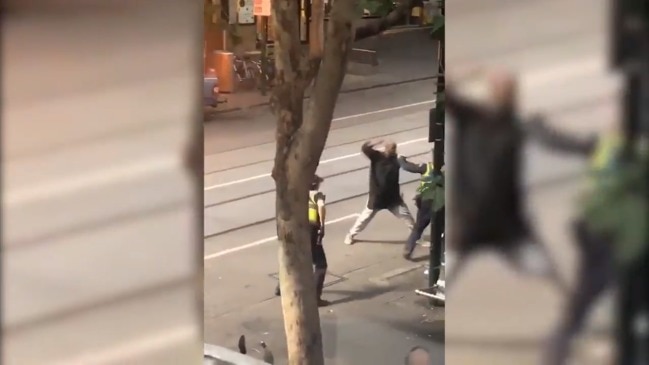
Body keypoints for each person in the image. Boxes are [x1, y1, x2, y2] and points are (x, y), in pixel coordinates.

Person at [444, 70, 568, 293]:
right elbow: (448, 96)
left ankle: (573, 307)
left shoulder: (517, 125)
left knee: (541, 267)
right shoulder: (471, 117)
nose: (504, 95)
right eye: (500, 90)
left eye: (507, 91)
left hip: (504, 221)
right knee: (451, 270)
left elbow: (557, 141)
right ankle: (572, 304)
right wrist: (462, 76)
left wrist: (598, 146)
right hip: (473, 219)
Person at [344, 139, 415, 245]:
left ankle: (416, 236)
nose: (391, 151)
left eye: (393, 149)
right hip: (377, 197)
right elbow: (365, 148)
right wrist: (375, 143)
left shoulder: (396, 160)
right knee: (365, 218)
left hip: (393, 197)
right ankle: (350, 234)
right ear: (385, 149)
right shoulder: (377, 157)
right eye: (390, 148)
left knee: (407, 217)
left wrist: (404, 159)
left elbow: (406, 165)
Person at [275, 174, 331, 307]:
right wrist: (322, 227)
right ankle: (316, 297)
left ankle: (280, 288)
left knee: (293, 259)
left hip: (295, 232)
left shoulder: (297, 196)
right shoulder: (316, 196)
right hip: (311, 233)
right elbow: (320, 210)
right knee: (321, 265)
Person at [398, 156, 445, 261]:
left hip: (426, 202)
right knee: (442, 228)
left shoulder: (427, 167)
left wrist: (401, 160)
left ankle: (408, 249)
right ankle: (441, 252)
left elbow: (407, 167)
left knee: (418, 227)